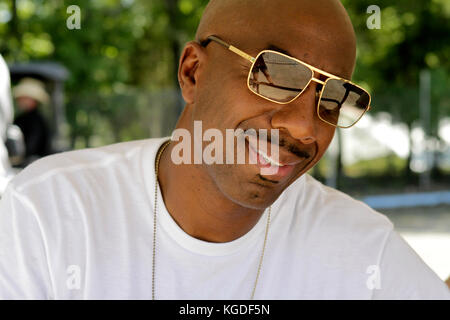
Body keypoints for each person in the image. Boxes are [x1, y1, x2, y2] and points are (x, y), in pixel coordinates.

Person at [0, 0, 449, 300]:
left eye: (333, 99)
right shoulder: (48, 213)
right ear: (193, 72)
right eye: (275, 74)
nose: (304, 125)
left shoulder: (361, 247)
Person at [12, 77, 51, 164]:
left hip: (31, 164)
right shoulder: (21, 118)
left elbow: (32, 146)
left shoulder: (37, 121)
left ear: (32, 100)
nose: (20, 101)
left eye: (23, 98)